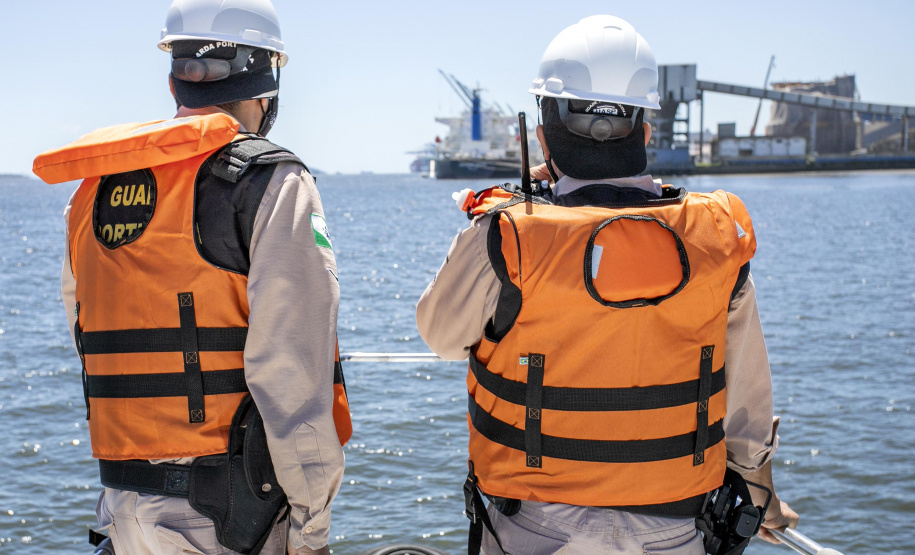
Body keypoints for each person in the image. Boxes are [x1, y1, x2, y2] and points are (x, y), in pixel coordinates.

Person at [417, 15, 799, 555]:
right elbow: (748, 400)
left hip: (534, 527)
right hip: (676, 529)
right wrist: (760, 489)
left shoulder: (505, 237)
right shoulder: (716, 237)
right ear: (646, 131)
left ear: (543, 132)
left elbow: (438, 337)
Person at [32, 1, 351, 554]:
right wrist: (311, 528)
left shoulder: (91, 193)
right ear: (265, 76)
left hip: (123, 509)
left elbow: (85, 333)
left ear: (176, 73)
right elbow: (292, 376)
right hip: (227, 516)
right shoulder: (272, 182)